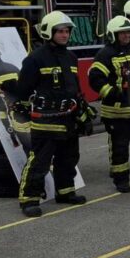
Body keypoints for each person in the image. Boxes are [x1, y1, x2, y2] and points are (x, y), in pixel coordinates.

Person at [16, 11, 90, 218]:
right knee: (39, 160)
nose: (64, 35)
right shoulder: (35, 58)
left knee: (68, 158)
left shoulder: (71, 58)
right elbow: (23, 88)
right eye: (60, 31)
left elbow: (75, 87)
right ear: (49, 32)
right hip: (46, 120)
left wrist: (82, 110)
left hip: (68, 118)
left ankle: (65, 192)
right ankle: (29, 199)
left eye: (67, 31)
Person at [88, 15, 130, 193]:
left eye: (128, 32)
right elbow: (94, 78)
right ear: (113, 35)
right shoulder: (105, 54)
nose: (126, 35)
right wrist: (113, 93)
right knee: (120, 147)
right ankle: (121, 179)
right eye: (122, 33)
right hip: (115, 112)